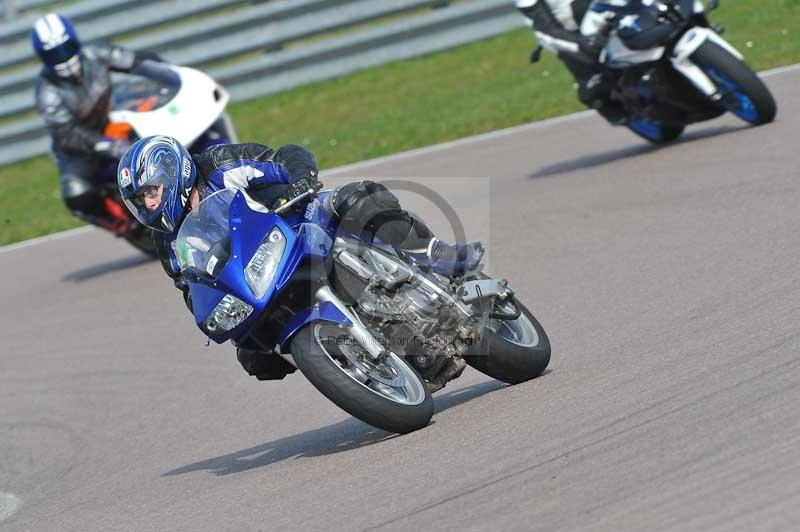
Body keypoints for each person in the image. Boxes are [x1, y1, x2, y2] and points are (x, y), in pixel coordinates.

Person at [117, 136, 484, 379]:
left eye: (151, 190)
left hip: (297, 221)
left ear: (173, 172)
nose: (148, 203)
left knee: (358, 198)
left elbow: (284, 156)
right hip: (261, 276)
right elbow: (192, 287)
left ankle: (437, 255)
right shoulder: (166, 242)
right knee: (254, 354)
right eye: (139, 200)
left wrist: (300, 180)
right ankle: (364, 363)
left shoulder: (219, 164)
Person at [32, 13, 163, 232]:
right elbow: (67, 134)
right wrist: (106, 144)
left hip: (113, 119)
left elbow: (137, 60)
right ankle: (126, 224)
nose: (62, 58)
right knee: (75, 193)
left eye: (65, 48)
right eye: (53, 54)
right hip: (79, 148)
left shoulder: (96, 53)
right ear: (42, 56)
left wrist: (169, 72)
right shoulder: (47, 91)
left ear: (75, 40)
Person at [516, 0, 628, 123]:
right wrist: (580, 44)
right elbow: (544, 27)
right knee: (594, 87)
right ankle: (615, 110)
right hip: (571, 36)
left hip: (611, 14)